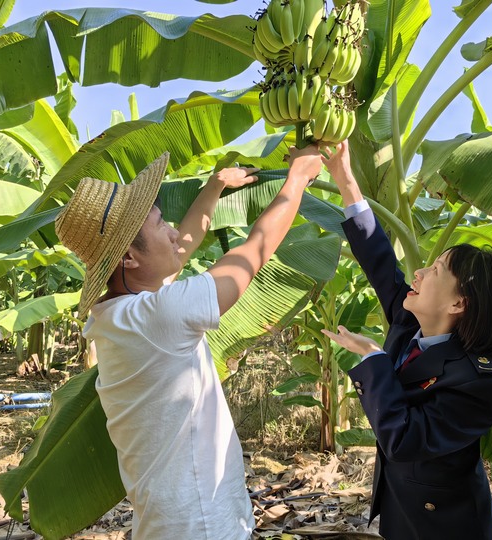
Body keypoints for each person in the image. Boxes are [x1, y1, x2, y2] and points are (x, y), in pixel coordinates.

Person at [54, 146, 323, 540]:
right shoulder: (157, 317)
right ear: (129, 258)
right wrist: (297, 179)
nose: (174, 231)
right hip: (201, 525)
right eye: (161, 223)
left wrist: (215, 185)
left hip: (171, 521)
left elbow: (181, 246)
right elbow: (253, 253)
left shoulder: (117, 314)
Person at [320, 141, 492, 540]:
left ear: (459, 302)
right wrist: (344, 178)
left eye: (436, 270)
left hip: (448, 527)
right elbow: (379, 260)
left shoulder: (482, 381)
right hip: (403, 514)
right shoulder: (410, 324)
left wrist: (375, 358)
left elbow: (405, 440)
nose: (418, 273)